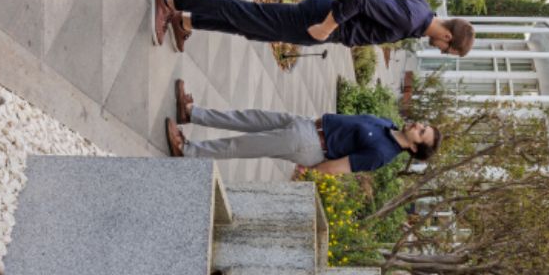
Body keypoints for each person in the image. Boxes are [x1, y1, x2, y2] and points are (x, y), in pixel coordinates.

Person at [164, 80, 438, 173]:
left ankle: (188, 151)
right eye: (423, 124)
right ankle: (192, 113)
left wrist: (307, 160)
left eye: (421, 132)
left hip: (309, 144)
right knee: (247, 118)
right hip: (308, 123)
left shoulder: (382, 154)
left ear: (414, 148)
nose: (418, 125)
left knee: (243, 146)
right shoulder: (388, 125)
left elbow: (337, 168)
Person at [150, 0, 474, 56]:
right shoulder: (409, 18)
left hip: (325, 16)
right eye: (449, 51)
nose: (443, 52)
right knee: (245, 14)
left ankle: (186, 22)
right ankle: (171, 0)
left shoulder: (421, 8)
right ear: (448, 38)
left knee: (250, 27)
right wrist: (327, 27)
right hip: (320, 19)